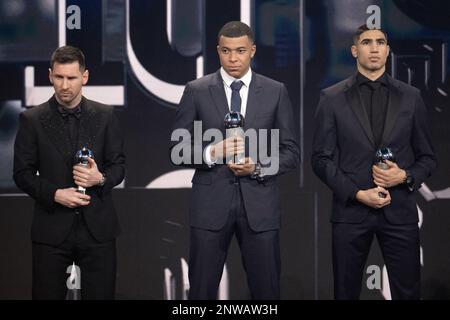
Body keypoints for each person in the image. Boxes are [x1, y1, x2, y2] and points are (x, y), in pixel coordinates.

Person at [170, 21, 299, 299]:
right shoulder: (197, 90)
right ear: (218, 51)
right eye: (226, 51)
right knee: (201, 292)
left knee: (266, 293)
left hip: (260, 209)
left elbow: (291, 153)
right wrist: (211, 153)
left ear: (252, 50)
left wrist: (259, 167)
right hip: (210, 207)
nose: (233, 58)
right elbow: (177, 149)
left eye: (240, 51)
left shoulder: (276, 91)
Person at [311, 25, 436, 299]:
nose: (375, 47)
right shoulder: (331, 98)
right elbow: (320, 159)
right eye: (367, 42)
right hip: (350, 213)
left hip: (400, 211)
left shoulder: (411, 97)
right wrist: (357, 193)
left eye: (381, 42)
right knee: (345, 293)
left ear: (388, 50)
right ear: (355, 50)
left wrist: (403, 176)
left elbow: (428, 158)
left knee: (408, 292)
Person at [13, 46, 125, 299]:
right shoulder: (32, 119)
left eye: (72, 78)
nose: (65, 85)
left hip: (98, 228)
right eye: (59, 77)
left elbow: (119, 165)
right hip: (51, 228)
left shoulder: (106, 116)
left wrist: (101, 178)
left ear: (84, 77)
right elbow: (22, 173)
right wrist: (55, 193)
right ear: (50, 75)